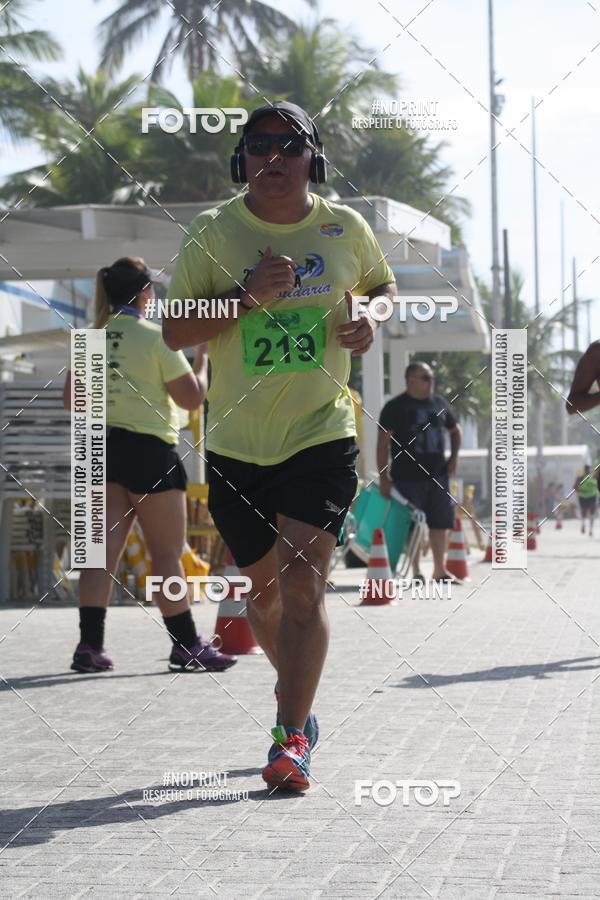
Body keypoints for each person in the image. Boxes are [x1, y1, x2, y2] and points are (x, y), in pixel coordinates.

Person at [163, 100, 396, 791]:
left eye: (289, 145)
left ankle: (291, 737)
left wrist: (370, 316)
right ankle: (294, 692)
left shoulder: (343, 226)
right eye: (259, 144)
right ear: (242, 159)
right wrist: (241, 298)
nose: (274, 156)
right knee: (262, 598)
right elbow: (174, 331)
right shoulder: (214, 231)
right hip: (236, 443)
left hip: (319, 432)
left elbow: (382, 286)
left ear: (312, 160)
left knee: (302, 584)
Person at [63, 256, 236, 674]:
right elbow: (191, 399)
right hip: (149, 452)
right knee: (167, 555)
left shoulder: (91, 338)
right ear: (145, 294)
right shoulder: (157, 338)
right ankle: (186, 644)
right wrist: (202, 361)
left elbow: (72, 401)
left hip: (98, 449)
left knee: (97, 557)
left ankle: (89, 646)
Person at [377, 361, 463, 583]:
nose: (430, 382)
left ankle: (439, 570)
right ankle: (415, 571)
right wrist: (383, 477)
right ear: (410, 381)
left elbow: (455, 431)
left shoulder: (439, 404)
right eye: (425, 378)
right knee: (412, 525)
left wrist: (453, 458)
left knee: (440, 523)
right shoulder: (395, 407)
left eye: (431, 377)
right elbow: (382, 443)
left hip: (438, 475)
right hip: (406, 478)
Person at [574, 465, 598, 536]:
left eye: (589, 470)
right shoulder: (580, 478)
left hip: (592, 496)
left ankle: (591, 529)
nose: (588, 471)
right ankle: (583, 524)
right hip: (583, 497)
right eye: (586, 470)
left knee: (592, 513)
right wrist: (580, 490)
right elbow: (575, 487)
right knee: (584, 512)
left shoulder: (594, 477)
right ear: (584, 471)